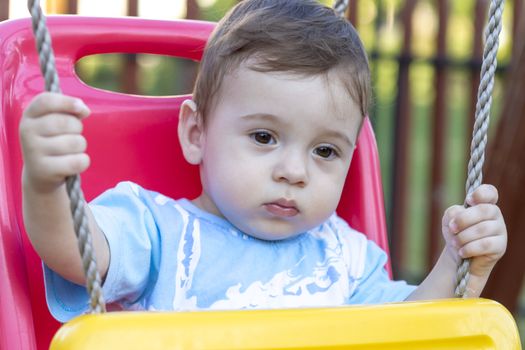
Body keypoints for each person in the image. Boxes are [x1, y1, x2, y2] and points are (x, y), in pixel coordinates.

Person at [19, 0, 507, 322]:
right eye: (264, 136)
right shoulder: (157, 231)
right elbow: (74, 252)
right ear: (196, 133)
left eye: (325, 151)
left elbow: (414, 328)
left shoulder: (345, 259)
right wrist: (46, 184)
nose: (294, 171)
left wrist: (461, 264)